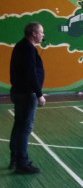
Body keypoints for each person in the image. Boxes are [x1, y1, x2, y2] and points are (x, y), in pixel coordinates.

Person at [9, 22, 46, 174]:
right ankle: (22, 163)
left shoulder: (21, 46)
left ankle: (15, 158)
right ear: (34, 34)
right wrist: (39, 94)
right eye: (41, 32)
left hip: (19, 91)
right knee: (25, 128)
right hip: (26, 94)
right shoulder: (28, 49)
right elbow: (30, 74)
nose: (43, 35)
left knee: (19, 126)